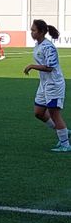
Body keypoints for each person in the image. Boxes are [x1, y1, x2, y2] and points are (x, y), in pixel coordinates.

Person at [25, 19, 70, 152]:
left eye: (34, 30)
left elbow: (50, 68)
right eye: (31, 30)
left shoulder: (48, 47)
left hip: (54, 84)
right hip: (44, 84)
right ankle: (64, 132)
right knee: (38, 113)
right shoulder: (38, 45)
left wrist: (32, 66)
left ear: (42, 32)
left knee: (54, 114)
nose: (31, 32)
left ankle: (65, 144)